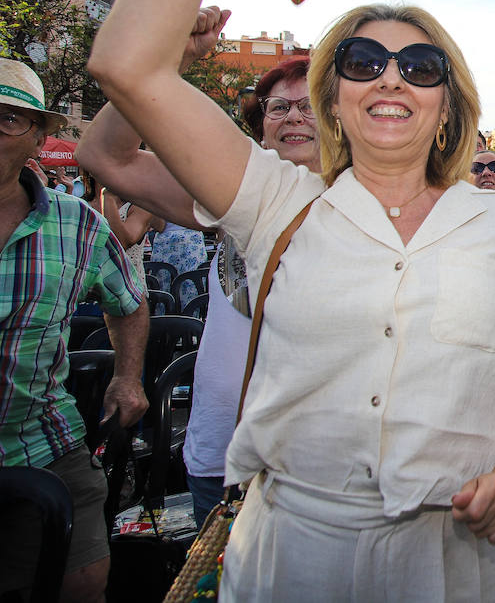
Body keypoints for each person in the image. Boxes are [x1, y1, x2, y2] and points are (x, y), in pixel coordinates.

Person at [87, 0, 495, 600]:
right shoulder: (272, 199)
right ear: (334, 98)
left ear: (446, 104)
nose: (391, 77)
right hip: (292, 554)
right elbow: (125, 64)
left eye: (419, 66)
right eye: (364, 59)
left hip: (457, 560)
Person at [80, 36, 325, 527]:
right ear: (259, 129)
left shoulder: (368, 208)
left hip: (312, 470)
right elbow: (107, 156)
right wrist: (169, 57)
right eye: (278, 107)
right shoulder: (231, 202)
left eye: (310, 105)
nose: (293, 116)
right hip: (216, 456)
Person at [0, 58, 149, 603]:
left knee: (84, 581)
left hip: (44, 439)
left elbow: (130, 303)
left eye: (9, 119)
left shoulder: (76, 222)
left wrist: (128, 378)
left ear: (39, 136)